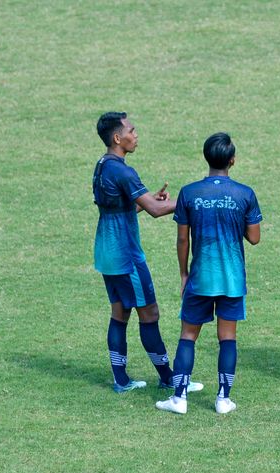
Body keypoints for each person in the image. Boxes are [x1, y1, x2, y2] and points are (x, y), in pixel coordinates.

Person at [92, 111, 203, 394]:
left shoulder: (103, 166)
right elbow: (155, 211)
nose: (135, 134)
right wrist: (193, 200)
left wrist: (149, 198)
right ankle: (169, 378)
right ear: (118, 137)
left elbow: (127, 208)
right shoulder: (123, 171)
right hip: (126, 256)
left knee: (119, 312)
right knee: (149, 313)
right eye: (131, 130)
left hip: (106, 252)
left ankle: (120, 380)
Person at [156, 132, 262, 414]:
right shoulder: (245, 194)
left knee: (188, 336)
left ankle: (179, 399)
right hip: (232, 279)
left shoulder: (190, 193)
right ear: (233, 160)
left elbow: (182, 240)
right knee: (227, 338)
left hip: (200, 277)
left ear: (206, 157)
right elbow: (254, 238)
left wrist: (183, 274)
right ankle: (223, 399)